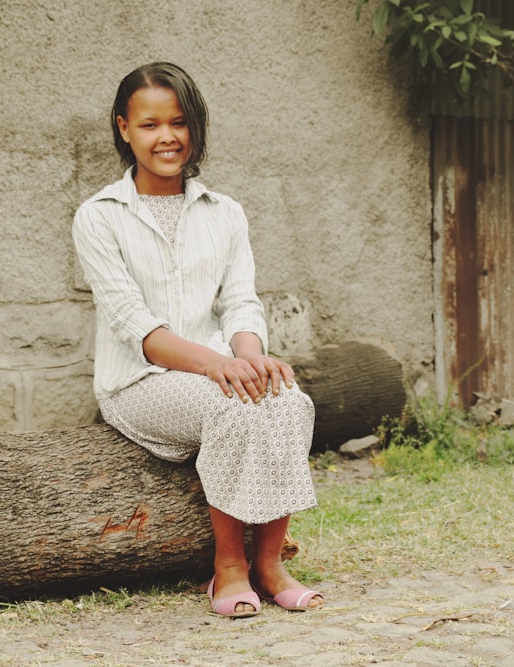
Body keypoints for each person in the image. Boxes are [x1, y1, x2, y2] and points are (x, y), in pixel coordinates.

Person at [72, 62, 323, 618]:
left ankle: (272, 563)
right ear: (123, 129)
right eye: (150, 124)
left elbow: (240, 301)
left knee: (286, 398)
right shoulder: (99, 217)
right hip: (140, 383)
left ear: (196, 127)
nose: (167, 137)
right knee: (232, 407)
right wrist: (217, 366)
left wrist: (250, 357)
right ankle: (229, 568)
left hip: (217, 368)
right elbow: (132, 323)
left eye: (179, 122)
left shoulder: (225, 213)